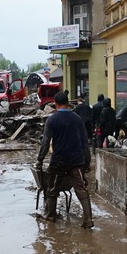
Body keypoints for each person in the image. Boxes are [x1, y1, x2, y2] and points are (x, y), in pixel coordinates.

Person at [37, 91, 94, 228]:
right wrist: (87, 162)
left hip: (59, 161)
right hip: (76, 161)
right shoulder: (77, 119)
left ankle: (51, 216)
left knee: (52, 189)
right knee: (81, 189)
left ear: (55, 104)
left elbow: (46, 142)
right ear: (68, 103)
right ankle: (88, 219)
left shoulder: (52, 120)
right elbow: (85, 143)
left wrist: (40, 159)